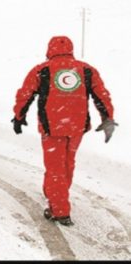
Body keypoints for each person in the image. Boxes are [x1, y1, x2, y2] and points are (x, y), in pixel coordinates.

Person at [12, 35, 117, 226]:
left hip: (52, 127)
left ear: (50, 49)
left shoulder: (41, 70)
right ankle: (56, 194)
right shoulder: (86, 70)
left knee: (55, 168)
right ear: (71, 49)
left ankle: (59, 210)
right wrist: (107, 118)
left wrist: (19, 116)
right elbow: (102, 96)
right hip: (77, 126)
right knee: (67, 163)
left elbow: (24, 95)